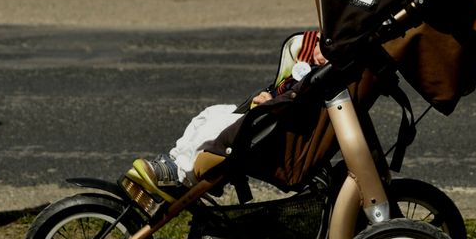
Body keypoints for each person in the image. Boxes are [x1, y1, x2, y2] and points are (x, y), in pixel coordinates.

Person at [121, 31, 328, 201]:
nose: (318, 53)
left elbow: (292, 103)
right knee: (211, 113)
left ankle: (182, 177)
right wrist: (269, 96)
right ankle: (174, 162)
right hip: (265, 113)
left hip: (275, 128)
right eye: (318, 44)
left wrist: (269, 102)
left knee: (217, 127)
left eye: (325, 49)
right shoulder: (309, 70)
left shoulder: (317, 79)